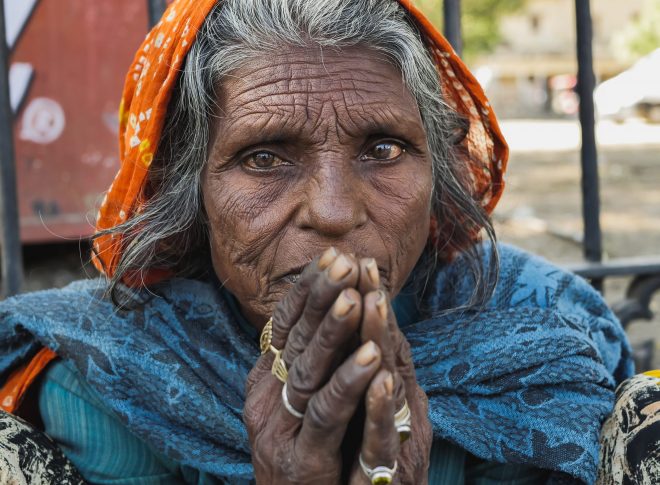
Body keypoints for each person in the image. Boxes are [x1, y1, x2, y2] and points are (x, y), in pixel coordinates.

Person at [0, 0, 635, 483]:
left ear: (439, 174)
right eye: (265, 157)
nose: (333, 213)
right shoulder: (104, 382)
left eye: (383, 149)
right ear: (186, 189)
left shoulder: (553, 347)